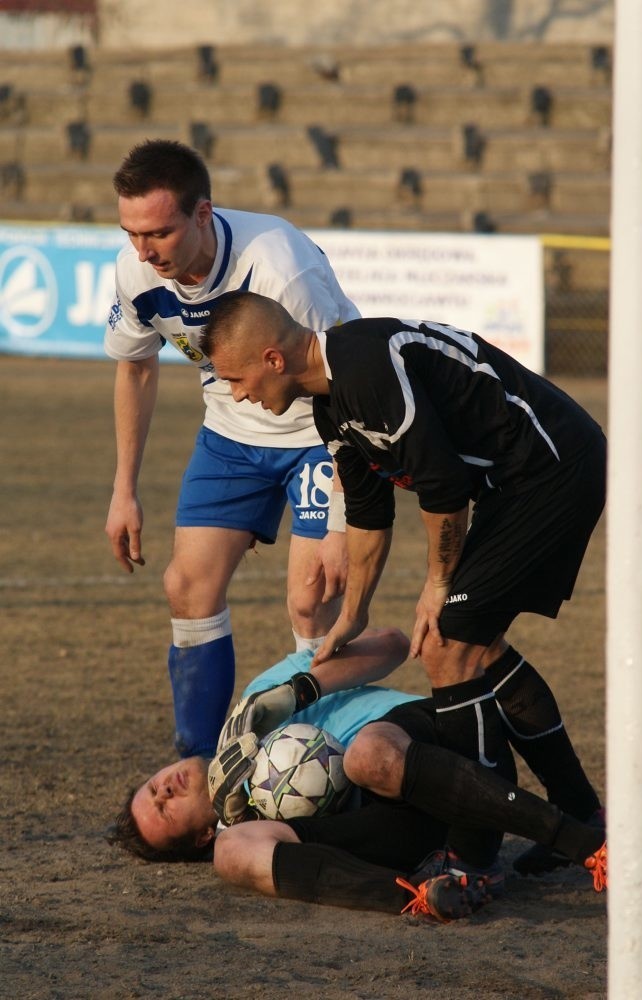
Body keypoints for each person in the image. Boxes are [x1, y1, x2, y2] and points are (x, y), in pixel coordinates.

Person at [198, 291, 607, 874]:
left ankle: (474, 845)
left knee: (449, 641)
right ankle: (578, 813)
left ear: (273, 359)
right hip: (517, 485)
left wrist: (438, 583)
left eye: (237, 379)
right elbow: (369, 515)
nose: (238, 394)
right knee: (477, 645)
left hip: (554, 468)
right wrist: (353, 615)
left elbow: (444, 488)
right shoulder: (330, 406)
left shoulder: (366, 363)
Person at [103, 139, 360, 762]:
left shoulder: (280, 268)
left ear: (201, 214)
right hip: (231, 432)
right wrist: (124, 489)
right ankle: (198, 764)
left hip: (319, 432)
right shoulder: (136, 270)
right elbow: (136, 369)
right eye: (131, 233)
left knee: (311, 595)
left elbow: (350, 383)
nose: (143, 250)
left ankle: (319, 759)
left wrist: (344, 515)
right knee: (185, 586)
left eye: (158, 232)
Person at [107, 632, 607, 922]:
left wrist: (300, 690)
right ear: (197, 834)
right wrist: (237, 821)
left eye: (153, 786)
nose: (164, 788)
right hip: (432, 840)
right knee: (233, 853)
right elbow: (241, 846)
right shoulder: (237, 825)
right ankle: (418, 896)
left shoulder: (257, 698)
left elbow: (393, 644)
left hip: (441, 745)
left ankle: (583, 840)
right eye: (164, 809)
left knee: (365, 756)